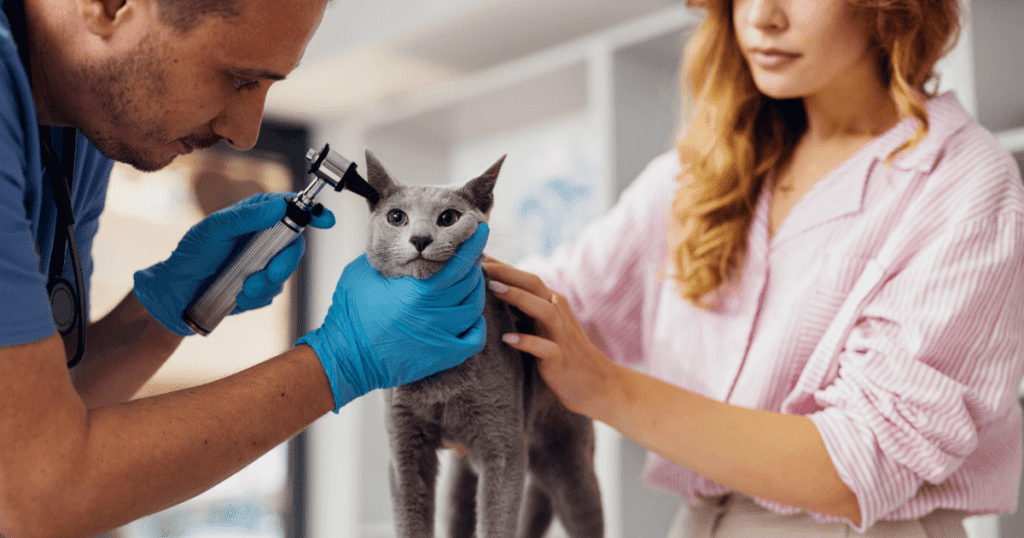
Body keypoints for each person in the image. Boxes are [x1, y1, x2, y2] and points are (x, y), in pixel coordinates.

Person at [484, 0, 1024, 536]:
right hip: (701, 524)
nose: (762, 17)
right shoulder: (699, 170)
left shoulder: (964, 182)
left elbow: (858, 464)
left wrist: (603, 387)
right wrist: (440, 294)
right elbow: (564, 297)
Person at [0, 0, 489, 535]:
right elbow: (30, 493)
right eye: (237, 79)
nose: (245, 132)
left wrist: (159, 313)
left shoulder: (81, 127)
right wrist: (339, 362)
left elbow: (39, 420)